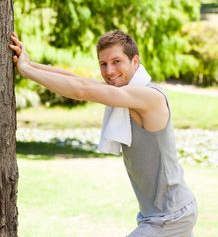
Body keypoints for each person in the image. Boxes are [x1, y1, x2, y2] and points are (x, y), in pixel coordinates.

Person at [10, 30, 198, 237]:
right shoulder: (124, 92)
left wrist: (27, 70)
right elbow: (78, 79)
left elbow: (82, 90)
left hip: (170, 217)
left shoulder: (148, 96)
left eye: (117, 61)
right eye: (103, 64)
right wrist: (28, 62)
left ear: (134, 61)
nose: (109, 71)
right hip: (157, 214)